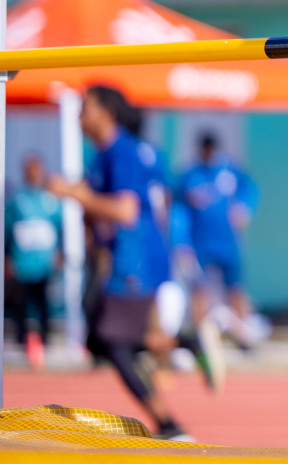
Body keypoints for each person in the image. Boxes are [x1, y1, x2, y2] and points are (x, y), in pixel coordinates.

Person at [47, 85, 191, 440]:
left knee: (114, 343)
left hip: (134, 261)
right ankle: (185, 345)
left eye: (85, 107)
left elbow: (126, 210)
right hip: (125, 259)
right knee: (103, 340)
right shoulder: (103, 154)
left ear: (104, 112)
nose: (79, 115)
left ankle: (170, 423)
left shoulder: (120, 152)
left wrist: (75, 194)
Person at [177, 132, 259, 351]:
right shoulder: (190, 176)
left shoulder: (230, 172)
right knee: (199, 291)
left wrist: (244, 208)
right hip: (199, 245)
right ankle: (200, 340)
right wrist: (181, 243)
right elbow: (179, 211)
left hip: (228, 244)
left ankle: (244, 337)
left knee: (235, 290)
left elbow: (250, 189)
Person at [6, 154, 64, 369]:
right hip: (22, 263)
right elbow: (8, 229)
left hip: (44, 263)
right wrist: (7, 257)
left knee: (44, 303)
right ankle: (23, 343)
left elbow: (61, 228)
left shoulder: (50, 200)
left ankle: (45, 342)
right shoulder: (16, 200)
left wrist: (61, 253)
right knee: (20, 304)